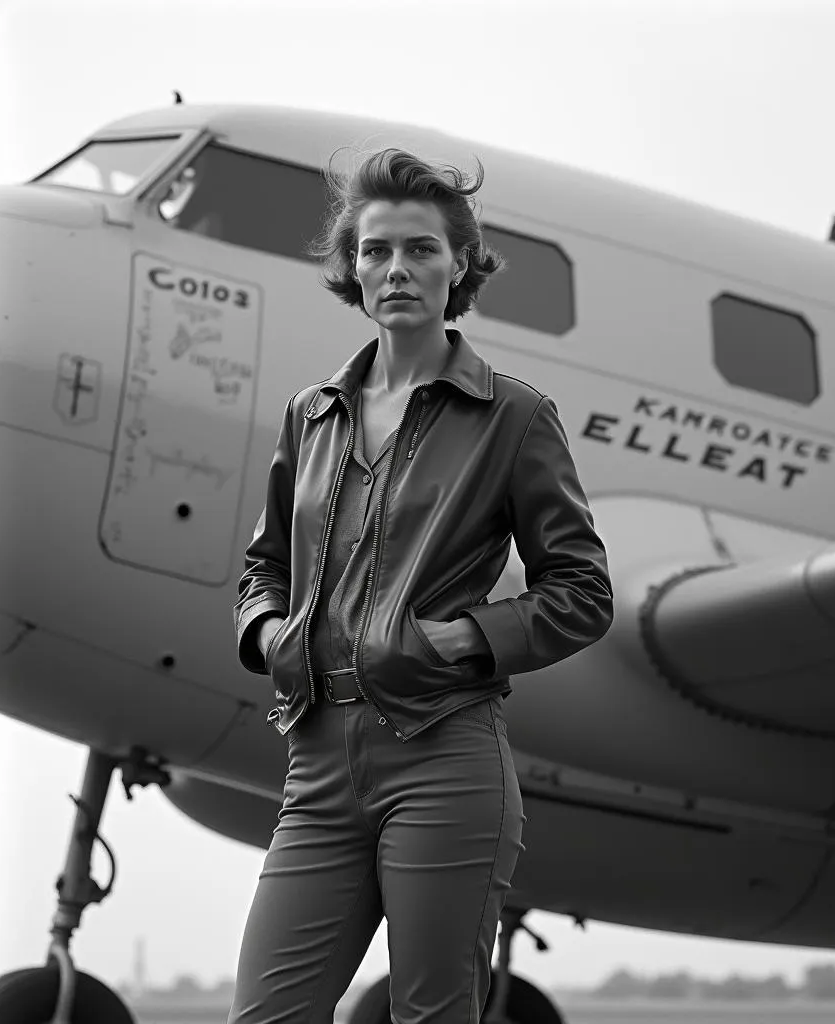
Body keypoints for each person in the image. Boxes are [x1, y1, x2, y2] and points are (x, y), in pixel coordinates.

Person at [229, 147, 613, 1024]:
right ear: (351, 270)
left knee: (433, 1015)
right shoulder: (312, 414)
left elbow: (582, 592)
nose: (395, 269)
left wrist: (471, 638)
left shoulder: (514, 417)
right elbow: (265, 568)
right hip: (317, 761)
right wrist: (267, 635)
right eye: (374, 251)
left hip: (443, 756)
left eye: (421, 250)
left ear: (461, 267)